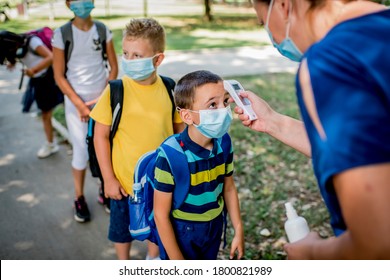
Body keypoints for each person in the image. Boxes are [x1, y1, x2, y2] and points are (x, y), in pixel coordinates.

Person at [234, 0, 390, 259]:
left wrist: (313, 253)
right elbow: (371, 148)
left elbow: (378, 241)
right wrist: (274, 122)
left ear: (283, 5)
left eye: (264, 23)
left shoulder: (331, 61)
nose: (273, 38)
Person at [90, 18, 185, 260]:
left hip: (161, 182)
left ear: (158, 59)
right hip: (124, 183)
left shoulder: (168, 89)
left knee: (159, 224)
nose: (129, 61)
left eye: (137, 56)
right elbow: (100, 137)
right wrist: (109, 179)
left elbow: (178, 132)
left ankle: (151, 259)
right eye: (126, 54)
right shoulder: (115, 90)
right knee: (122, 230)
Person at [153, 70, 245, 260]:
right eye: (213, 104)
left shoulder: (224, 143)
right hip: (183, 230)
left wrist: (238, 229)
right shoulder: (170, 155)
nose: (223, 110)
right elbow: (160, 216)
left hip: (215, 225)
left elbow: (228, 187)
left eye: (225, 102)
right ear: (187, 116)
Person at [52, 0, 118, 223]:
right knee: (81, 150)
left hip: (103, 100)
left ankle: (104, 189)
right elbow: (59, 75)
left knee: (104, 146)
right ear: (69, 4)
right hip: (76, 104)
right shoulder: (62, 34)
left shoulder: (102, 30)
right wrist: (80, 105)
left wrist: (104, 98)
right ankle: (79, 197)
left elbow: (113, 67)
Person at [0, 30, 63, 159]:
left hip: (50, 78)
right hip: (39, 80)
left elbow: (51, 57)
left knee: (50, 111)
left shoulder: (32, 42)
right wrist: (12, 63)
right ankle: (51, 143)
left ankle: (53, 143)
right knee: (46, 112)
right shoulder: (17, 47)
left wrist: (33, 70)